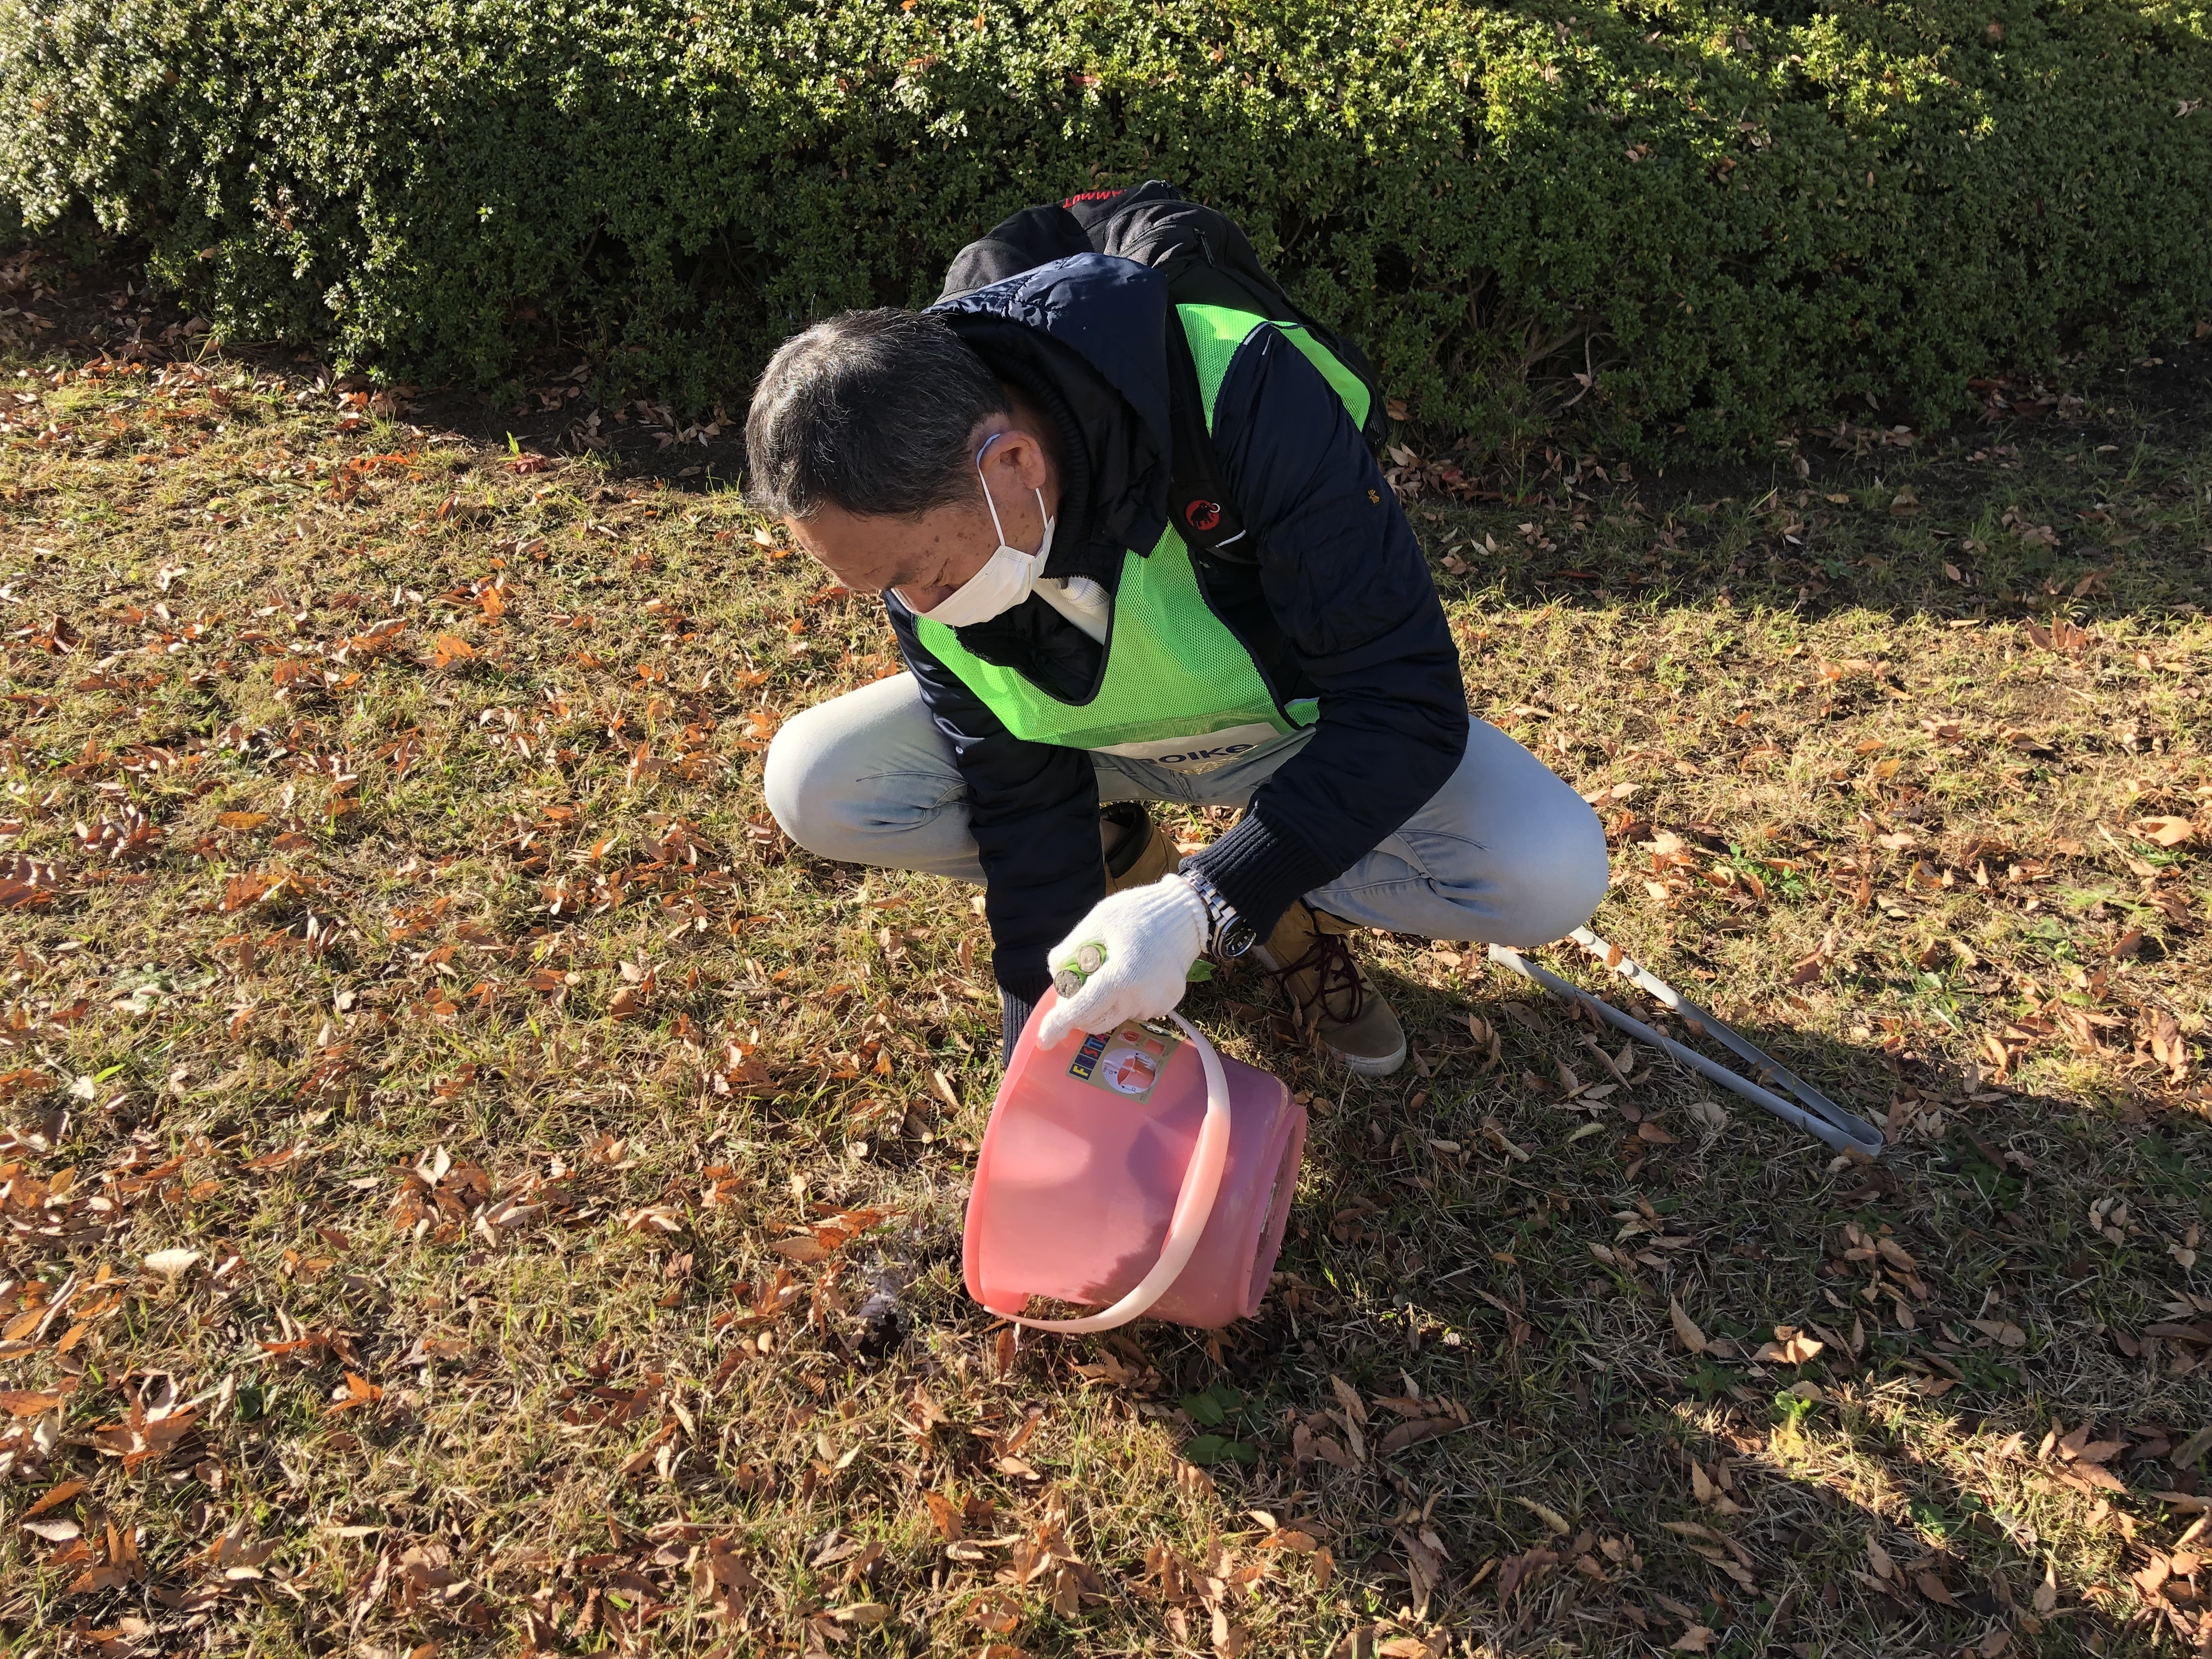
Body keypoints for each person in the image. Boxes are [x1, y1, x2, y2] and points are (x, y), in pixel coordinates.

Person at [747, 196, 1607, 1077]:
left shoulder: (1244, 390)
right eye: (881, 588)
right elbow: (1014, 788)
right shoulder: (910, 509)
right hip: (1104, 749)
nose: (918, 607)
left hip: (1290, 732)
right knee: (819, 781)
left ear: (1012, 462)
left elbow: (1405, 703)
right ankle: (1128, 864)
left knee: (1547, 870)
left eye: (919, 573)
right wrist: (1043, 1054)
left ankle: (1276, 900)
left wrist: (1208, 900)